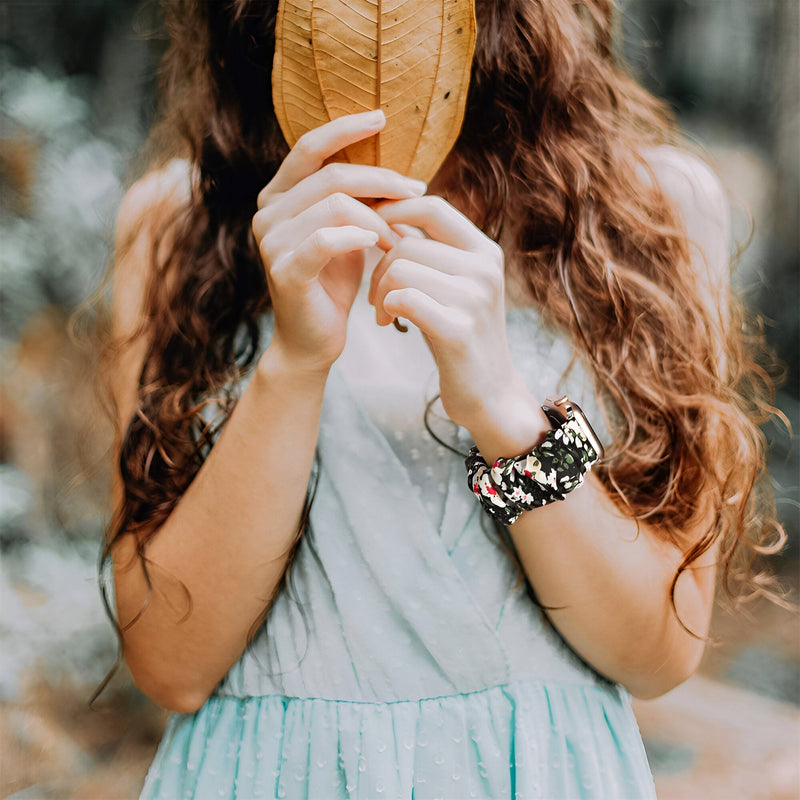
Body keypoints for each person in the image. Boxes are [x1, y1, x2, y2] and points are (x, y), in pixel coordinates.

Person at [97, 1, 784, 797]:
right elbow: (170, 665)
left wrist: (501, 407)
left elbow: (658, 652)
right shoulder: (181, 221)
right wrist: (293, 364)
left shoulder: (649, 207)